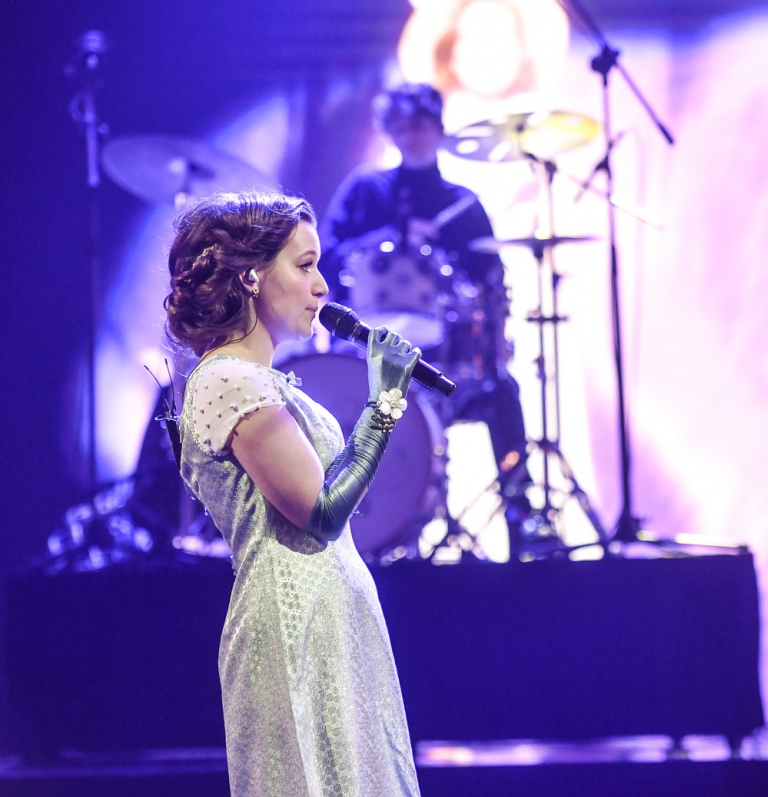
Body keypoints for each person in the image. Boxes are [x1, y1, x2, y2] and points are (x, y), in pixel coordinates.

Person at [164, 191, 422, 796]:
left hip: (328, 614)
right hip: (294, 622)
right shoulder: (229, 379)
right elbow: (322, 513)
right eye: (305, 266)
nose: (322, 287)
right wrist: (385, 402)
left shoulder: (261, 380)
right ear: (251, 276)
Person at [322, 82, 541, 551]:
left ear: (438, 128)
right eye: (400, 125)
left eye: (419, 124)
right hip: (367, 361)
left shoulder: (463, 204)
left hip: (445, 361)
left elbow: (490, 280)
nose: (411, 134)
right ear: (388, 131)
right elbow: (325, 257)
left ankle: (522, 520)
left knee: (502, 394)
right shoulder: (366, 191)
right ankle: (366, 536)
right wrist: (387, 238)